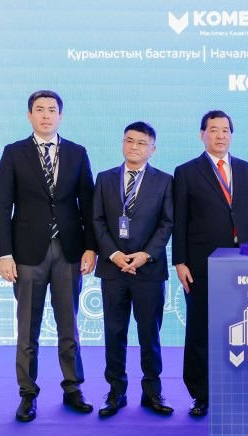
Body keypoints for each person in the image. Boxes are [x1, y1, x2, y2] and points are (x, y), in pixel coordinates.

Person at [0, 90, 97, 422]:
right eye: (40, 109)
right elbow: (1, 206)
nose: (46, 115)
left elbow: (88, 204)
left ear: (60, 116)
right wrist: (4, 254)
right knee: (28, 328)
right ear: (30, 115)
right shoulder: (14, 153)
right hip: (27, 253)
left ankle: (73, 388)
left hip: (69, 250)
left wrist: (91, 247)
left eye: (52, 110)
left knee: (69, 326)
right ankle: (27, 393)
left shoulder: (78, 153)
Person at [173, 110, 248, 417]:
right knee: (200, 330)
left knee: (243, 328)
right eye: (213, 130)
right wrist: (180, 261)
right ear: (202, 135)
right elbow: (179, 222)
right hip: (201, 264)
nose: (220, 135)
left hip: (244, 263)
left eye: (225, 130)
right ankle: (201, 394)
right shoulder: (186, 172)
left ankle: (239, 389)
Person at [92, 121, 174, 417]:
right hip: (113, 269)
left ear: (153, 149)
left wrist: (146, 255)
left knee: (149, 334)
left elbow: (167, 223)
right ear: (122, 143)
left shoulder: (165, 181)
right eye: (129, 140)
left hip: (148, 271)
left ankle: (152, 392)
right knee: (114, 332)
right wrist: (114, 254)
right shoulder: (104, 179)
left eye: (141, 143)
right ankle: (116, 391)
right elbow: (97, 220)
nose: (134, 147)